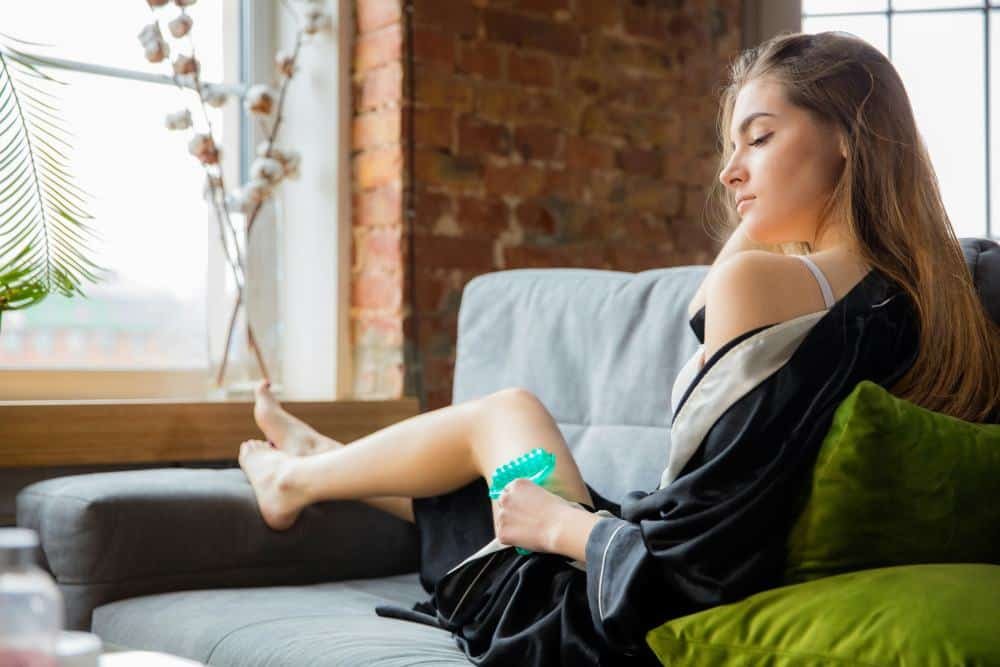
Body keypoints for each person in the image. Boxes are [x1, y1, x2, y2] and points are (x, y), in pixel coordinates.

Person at [237, 31, 1000, 666]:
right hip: (659, 560)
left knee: (505, 415)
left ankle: (297, 480)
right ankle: (313, 466)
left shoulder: (769, 286)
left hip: (611, 601)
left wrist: (560, 528)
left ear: (849, 135)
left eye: (759, 137)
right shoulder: (936, 301)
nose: (729, 172)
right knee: (496, 478)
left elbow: (694, 554)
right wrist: (778, 183)